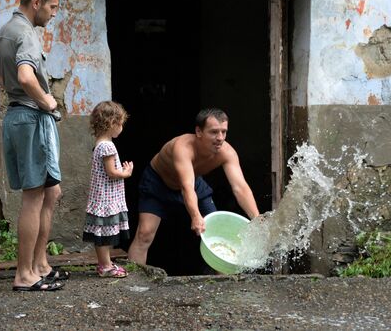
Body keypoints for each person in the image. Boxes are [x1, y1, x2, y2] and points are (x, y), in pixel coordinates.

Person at [0, 0, 67, 291]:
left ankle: (40, 264)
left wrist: (17, 95)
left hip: (19, 116)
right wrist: (43, 99)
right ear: (36, 3)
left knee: (52, 192)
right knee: (35, 197)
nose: (53, 14)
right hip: (32, 118)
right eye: (52, 7)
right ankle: (24, 274)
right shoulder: (27, 33)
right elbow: (25, 74)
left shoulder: (6, 30)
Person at [127, 108, 260, 265]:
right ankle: (132, 282)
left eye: (224, 132)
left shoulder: (227, 153)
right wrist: (196, 215)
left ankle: (225, 282)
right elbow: (186, 187)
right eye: (214, 132)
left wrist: (257, 219)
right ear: (199, 131)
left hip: (194, 182)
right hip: (159, 183)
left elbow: (240, 187)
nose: (220, 138)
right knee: (145, 233)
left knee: (217, 232)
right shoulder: (182, 147)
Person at [83, 101, 133, 277]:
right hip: (106, 198)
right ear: (112, 123)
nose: (121, 128)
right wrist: (126, 173)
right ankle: (105, 266)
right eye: (120, 124)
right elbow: (111, 172)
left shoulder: (99, 143)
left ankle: (105, 263)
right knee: (104, 235)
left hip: (101, 196)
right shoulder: (108, 146)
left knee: (101, 233)